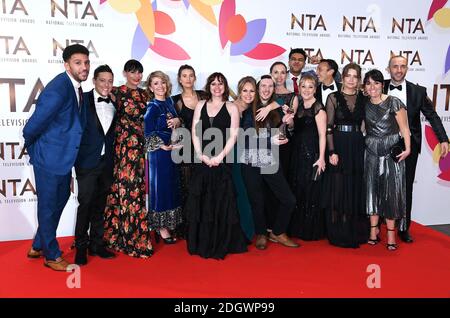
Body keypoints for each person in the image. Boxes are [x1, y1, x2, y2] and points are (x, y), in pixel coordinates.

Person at [23, 44, 90, 271]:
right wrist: (35, 150)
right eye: (78, 63)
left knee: (59, 200)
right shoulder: (59, 88)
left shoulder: (75, 87)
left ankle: (39, 243)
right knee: (49, 205)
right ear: (67, 65)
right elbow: (33, 125)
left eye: (86, 62)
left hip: (62, 160)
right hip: (49, 159)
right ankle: (52, 255)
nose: (84, 67)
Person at [384, 55, 449, 243]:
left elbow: (432, 115)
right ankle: (380, 225)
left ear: (407, 69)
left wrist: (443, 139)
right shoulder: (379, 85)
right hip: (381, 145)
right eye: (395, 66)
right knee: (381, 186)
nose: (398, 70)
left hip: (408, 146)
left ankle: (404, 228)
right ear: (389, 68)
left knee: (405, 188)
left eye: (402, 66)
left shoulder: (418, 92)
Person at [185, 72, 248, 259]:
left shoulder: (231, 107)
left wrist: (220, 156)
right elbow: (195, 131)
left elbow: (233, 135)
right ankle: (201, 241)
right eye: (213, 84)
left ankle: (220, 241)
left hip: (222, 160)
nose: (217, 87)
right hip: (202, 159)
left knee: (221, 200)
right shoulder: (200, 105)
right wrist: (200, 154)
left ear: (225, 87)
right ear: (209, 87)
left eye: (220, 84)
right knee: (202, 200)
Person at [240, 75, 298, 249]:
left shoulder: (279, 108)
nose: (266, 89)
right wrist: (270, 141)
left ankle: (278, 231)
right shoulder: (247, 108)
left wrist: (290, 123)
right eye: (263, 86)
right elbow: (245, 137)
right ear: (258, 88)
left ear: (274, 89)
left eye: (270, 86)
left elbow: (289, 132)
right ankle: (261, 233)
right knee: (257, 200)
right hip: (250, 161)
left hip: (270, 161)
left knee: (289, 199)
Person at [103, 59, 153, 258]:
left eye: (139, 72)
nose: (137, 76)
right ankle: (119, 235)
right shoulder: (116, 92)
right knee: (124, 190)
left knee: (137, 191)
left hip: (140, 149)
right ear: (124, 73)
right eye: (133, 72)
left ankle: (134, 236)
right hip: (123, 148)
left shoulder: (145, 94)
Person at [73, 64, 117, 265]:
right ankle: (80, 247)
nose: (106, 85)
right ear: (94, 81)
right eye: (102, 80)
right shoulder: (82, 100)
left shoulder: (116, 103)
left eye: (110, 81)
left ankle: (96, 245)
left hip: (107, 162)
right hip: (87, 163)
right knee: (85, 205)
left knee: (100, 206)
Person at [364, 69, 411, 251]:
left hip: (392, 153)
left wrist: (407, 149)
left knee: (391, 192)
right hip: (370, 152)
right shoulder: (365, 104)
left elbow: (404, 128)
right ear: (365, 87)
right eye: (368, 83)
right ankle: (373, 230)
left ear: (382, 84)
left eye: (376, 83)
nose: (373, 87)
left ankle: (391, 233)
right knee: (372, 190)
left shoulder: (394, 102)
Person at [323, 63, 368, 248]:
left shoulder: (364, 99)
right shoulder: (333, 97)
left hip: (357, 144)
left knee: (355, 185)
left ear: (359, 80)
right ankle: (337, 229)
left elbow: (366, 124)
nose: (351, 79)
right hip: (339, 144)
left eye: (355, 76)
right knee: (339, 187)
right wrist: (332, 151)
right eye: (348, 76)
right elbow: (328, 127)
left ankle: (353, 228)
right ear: (342, 77)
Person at [144, 71, 183, 244]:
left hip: (171, 150)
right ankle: (160, 228)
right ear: (151, 87)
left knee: (170, 187)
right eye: (156, 83)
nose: (160, 86)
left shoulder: (169, 102)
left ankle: (170, 223)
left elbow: (175, 122)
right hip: (159, 153)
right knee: (159, 189)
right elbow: (147, 131)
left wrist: (177, 122)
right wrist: (162, 145)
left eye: (163, 83)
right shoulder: (152, 106)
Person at [289, 74, 327, 241]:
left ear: (315, 89)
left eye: (310, 87)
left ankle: (309, 229)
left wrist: (321, 158)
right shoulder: (297, 104)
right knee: (297, 187)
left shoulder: (318, 108)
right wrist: (288, 119)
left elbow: (322, 135)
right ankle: (297, 227)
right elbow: (293, 128)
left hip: (312, 153)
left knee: (310, 189)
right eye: (303, 86)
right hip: (296, 152)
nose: (306, 90)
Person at [171, 65, 207, 238]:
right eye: (184, 76)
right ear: (179, 79)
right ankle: (186, 228)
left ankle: (202, 225)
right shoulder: (174, 100)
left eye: (191, 75)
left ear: (194, 78)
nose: (187, 79)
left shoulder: (204, 96)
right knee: (187, 189)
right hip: (184, 151)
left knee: (204, 189)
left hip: (206, 148)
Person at [232, 76, 256, 241]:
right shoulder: (230, 107)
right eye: (244, 90)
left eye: (252, 90)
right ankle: (235, 230)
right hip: (231, 153)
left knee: (248, 191)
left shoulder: (255, 109)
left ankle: (248, 230)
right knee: (236, 190)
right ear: (239, 91)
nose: (248, 94)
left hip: (250, 155)